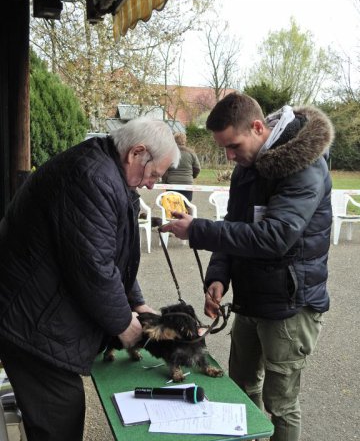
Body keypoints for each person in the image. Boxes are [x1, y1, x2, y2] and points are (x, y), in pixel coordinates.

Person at [161, 92, 334, 441]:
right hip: (251, 301)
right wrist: (218, 276)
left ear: (258, 127)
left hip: (290, 306)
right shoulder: (248, 165)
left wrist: (197, 229)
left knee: (280, 404)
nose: (229, 156)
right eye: (224, 148)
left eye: (234, 146)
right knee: (241, 387)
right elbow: (234, 223)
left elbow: (274, 236)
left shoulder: (305, 166)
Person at [0, 116, 180, 441]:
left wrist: (136, 301)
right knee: (59, 420)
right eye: (153, 174)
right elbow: (94, 268)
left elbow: (113, 257)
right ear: (136, 152)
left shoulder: (106, 171)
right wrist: (123, 323)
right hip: (31, 323)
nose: (153, 184)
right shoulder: (92, 177)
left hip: (36, 313)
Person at [161, 132, 201, 201]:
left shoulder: (169, 152)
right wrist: (192, 176)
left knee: (171, 205)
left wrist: (165, 181)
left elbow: (164, 169)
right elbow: (197, 169)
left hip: (172, 183)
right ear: (184, 140)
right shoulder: (191, 152)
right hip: (187, 184)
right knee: (186, 205)